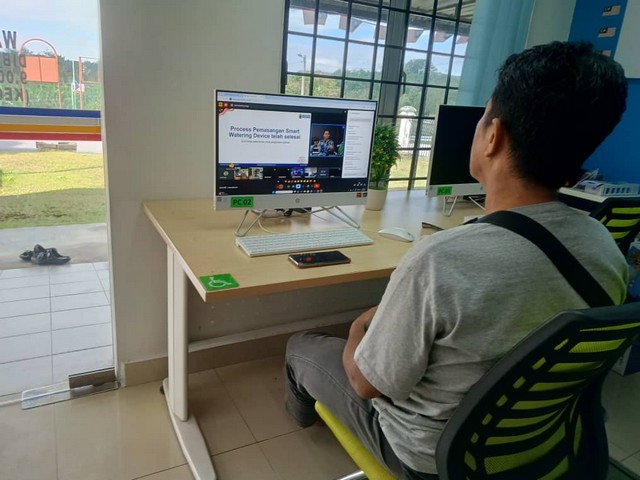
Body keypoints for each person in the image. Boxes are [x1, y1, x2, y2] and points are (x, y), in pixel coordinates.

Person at [284, 41, 629, 479]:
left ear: (493, 136)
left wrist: (357, 328)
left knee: (302, 345)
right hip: (539, 447)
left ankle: (302, 422)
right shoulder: (604, 246)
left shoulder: (440, 259)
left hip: (430, 459)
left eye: (482, 117)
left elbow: (366, 383)